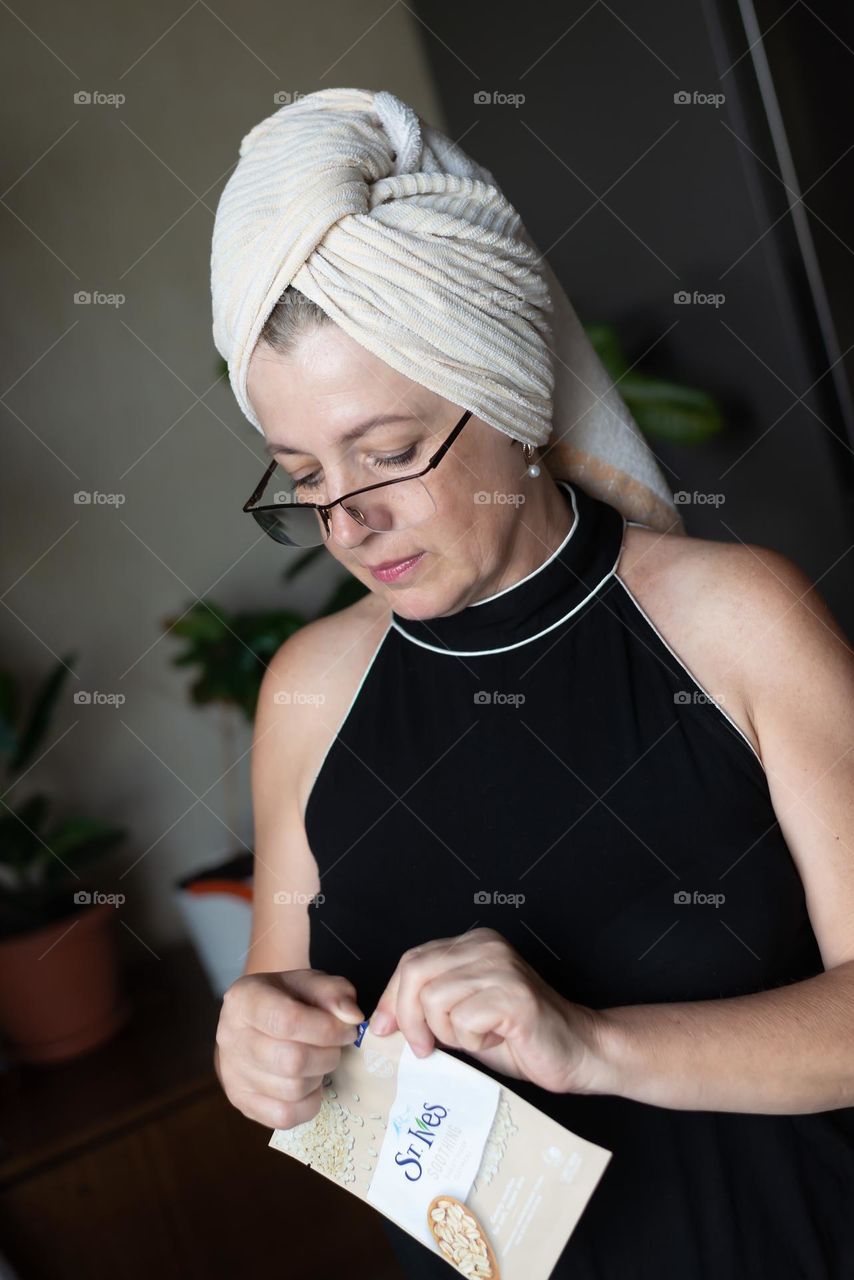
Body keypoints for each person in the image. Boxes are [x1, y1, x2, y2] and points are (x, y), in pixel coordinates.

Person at [210, 89, 854, 1279]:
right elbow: (278, 998)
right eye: (300, 473)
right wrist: (253, 1042)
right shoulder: (307, 686)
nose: (346, 517)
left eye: (390, 453)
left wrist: (593, 1042)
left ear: (509, 398)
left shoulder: (737, 622)